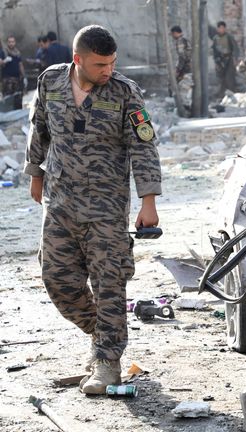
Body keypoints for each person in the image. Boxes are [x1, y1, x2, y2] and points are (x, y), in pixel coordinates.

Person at [23, 25, 162, 395]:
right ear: (77, 59)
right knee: (58, 281)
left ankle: (107, 362)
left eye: (113, 63)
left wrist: (148, 200)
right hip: (60, 204)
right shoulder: (50, 83)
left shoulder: (124, 92)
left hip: (106, 209)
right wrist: (35, 173)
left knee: (109, 285)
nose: (108, 71)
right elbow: (40, 129)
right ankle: (102, 333)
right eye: (101, 64)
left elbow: (144, 146)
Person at [210, 21, 239, 97]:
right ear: (217, 29)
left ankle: (232, 94)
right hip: (220, 60)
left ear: (225, 28)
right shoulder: (215, 38)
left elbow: (235, 48)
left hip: (229, 59)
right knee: (221, 77)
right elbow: (214, 50)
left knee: (230, 77)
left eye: (223, 28)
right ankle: (221, 94)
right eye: (220, 28)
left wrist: (235, 59)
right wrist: (216, 61)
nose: (221, 29)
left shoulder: (229, 37)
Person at [0, 36, 26, 109]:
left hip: (17, 79)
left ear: (15, 43)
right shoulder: (3, 52)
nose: (11, 43)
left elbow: (20, 65)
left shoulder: (17, 53)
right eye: (9, 42)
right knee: (8, 99)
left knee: (18, 98)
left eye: (12, 42)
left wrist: (24, 76)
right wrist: (4, 61)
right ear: (7, 43)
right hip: (7, 80)